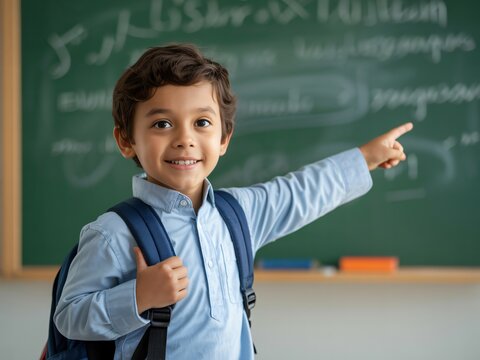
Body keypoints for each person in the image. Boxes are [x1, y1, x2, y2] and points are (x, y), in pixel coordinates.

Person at [54, 43, 413, 359]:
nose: (185, 139)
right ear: (126, 140)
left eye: (202, 123)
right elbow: (69, 316)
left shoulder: (237, 214)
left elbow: (302, 191)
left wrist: (366, 158)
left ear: (224, 138)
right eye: (162, 124)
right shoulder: (114, 234)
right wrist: (137, 297)